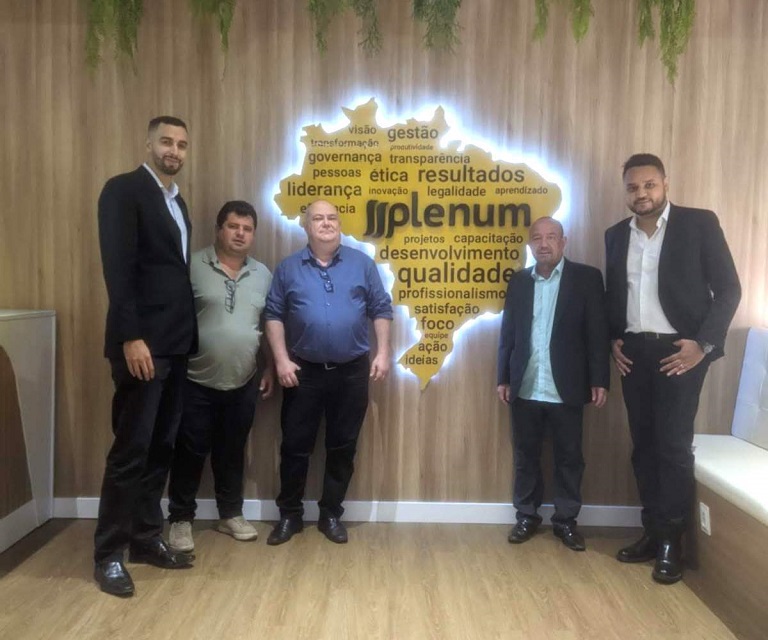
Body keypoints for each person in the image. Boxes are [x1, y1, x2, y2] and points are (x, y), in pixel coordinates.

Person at [605, 153, 741, 584]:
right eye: (633, 187)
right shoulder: (615, 235)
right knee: (643, 446)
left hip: (680, 353)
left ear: (665, 183)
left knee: (673, 447)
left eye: (649, 185)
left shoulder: (698, 224)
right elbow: (616, 294)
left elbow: (729, 289)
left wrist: (703, 346)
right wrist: (613, 339)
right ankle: (651, 532)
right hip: (634, 354)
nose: (641, 194)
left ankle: (671, 542)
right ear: (625, 190)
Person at [94, 116, 197, 597]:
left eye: (181, 144)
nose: (174, 150)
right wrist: (131, 336)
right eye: (166, 142)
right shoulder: (124, 190)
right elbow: (118, 269)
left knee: (160, 449)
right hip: (142, 346)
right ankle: (108, 555)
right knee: (131, 450)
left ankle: (144, 539)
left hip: (175, 345)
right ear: (148, 143)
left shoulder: (176, 202)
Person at [264, 200, 392, 545]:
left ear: (340, 224)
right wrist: (280, 360)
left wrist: (383, 352)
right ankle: (290, 516)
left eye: (332, 217)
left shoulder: (362, 264)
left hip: (352, 372)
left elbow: (381, 308)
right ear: (306, 226)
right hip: (302, 371)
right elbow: (273, 314)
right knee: (295, 446)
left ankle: (331, 514)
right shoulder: (288, 268)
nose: (326, 223)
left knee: (342, 447)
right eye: (318, 218)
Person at [167, 201, 274, 553]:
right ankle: (181, 519)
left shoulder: (262, 274)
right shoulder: (191, 265)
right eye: (233, 226)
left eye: (247, 229)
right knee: (189, 451)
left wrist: (270, 366)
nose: (240, 234)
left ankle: (230, 514)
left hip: (243, 380)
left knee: (232, 451)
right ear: (218, 229)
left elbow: (266, 326)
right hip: (193, 380)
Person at [497, 217, 610, 551]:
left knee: (569, 458)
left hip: (568, 385)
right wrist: (503, 376)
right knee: (525, 456)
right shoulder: (519, 282)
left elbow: (597, 333)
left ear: (564, 241)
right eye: (537, 238)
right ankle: (526, 516)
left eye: (550, 237)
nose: (543, 244)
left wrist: (599, 379)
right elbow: (508, 333)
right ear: (530, 244)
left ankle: (566, 521)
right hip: (526, 384)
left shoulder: (587, 278)